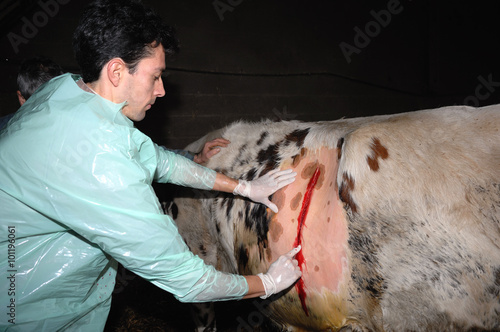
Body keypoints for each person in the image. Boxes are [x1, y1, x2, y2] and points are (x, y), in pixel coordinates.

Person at [0, 0, 301, 331]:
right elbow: (189, 281)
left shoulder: (69, 89)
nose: (160, 90)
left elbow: (158, 159)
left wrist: (243, 187)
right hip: (24, 306)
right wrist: (267, 283)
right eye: (155, 76)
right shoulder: (102, 165)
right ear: (116, 71)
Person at [0, 56, 229, 163]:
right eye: (41, 104)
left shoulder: (89, 123)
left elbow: (142, 151)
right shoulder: (5, 136)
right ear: (22, 99)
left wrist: (194, 157)